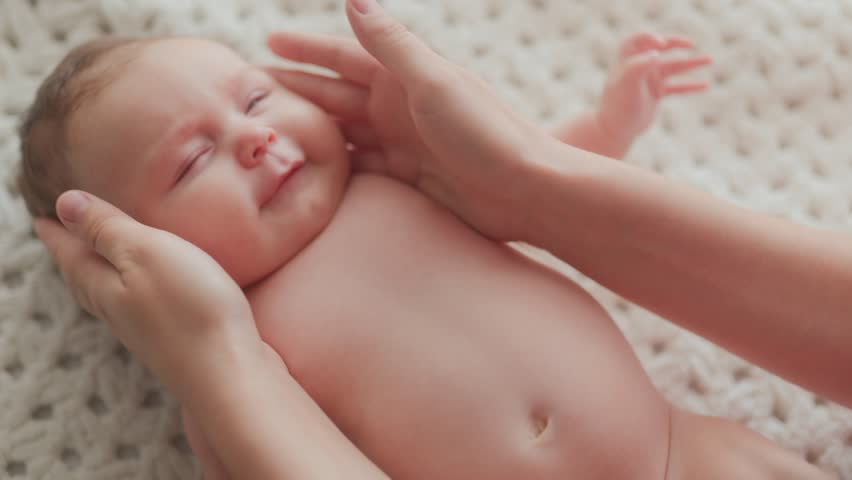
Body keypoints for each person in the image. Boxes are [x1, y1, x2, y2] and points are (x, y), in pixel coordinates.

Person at [27, 0, 846, 479]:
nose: (250, 138)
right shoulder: (235, 343)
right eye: (193, 159)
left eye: (256, 100)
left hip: (685, 454)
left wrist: (607, 122)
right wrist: (212, 379)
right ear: (137, 260)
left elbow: (542, 189)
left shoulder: (402, 182)